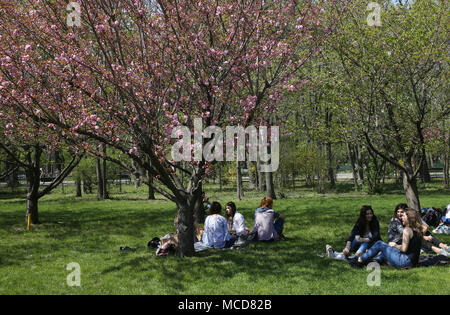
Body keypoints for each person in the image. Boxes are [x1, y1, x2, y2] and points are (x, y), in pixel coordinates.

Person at [349, 208, 424, 269]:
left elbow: (404, 249)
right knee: (388, 249)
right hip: (413, 262)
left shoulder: (407, 230)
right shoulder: (417, 229)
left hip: (405, 262)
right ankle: (375, 261)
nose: (402, 218)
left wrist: (395, 245)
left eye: (404, 216)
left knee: (379, 244)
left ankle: (359, 260)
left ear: (409, 218)